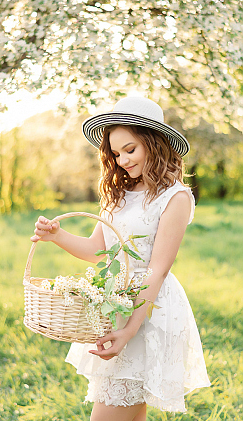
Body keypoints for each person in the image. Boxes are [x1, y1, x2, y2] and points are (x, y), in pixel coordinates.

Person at [31, 97, 210, 421]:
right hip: (115, 302)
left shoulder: (175, 196)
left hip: (147, 308)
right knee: (128, 411)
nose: (122, 159)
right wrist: (56, 236)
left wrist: (128, 330)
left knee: (112, 409)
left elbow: (157, 269)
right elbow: (99, 251)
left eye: (130, 149)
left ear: (153, 144)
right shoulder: (120, 194)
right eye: (116, 153)